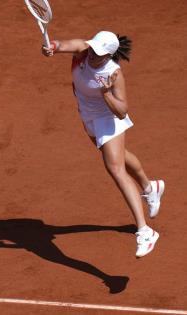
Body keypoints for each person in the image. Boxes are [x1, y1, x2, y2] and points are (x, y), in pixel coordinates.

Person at [42, 31, 164, 257]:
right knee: (120, 156)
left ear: (108, 55)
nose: (92, 54)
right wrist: (53, 47)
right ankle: (150, 187)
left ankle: (145, 231)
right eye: (93, 48)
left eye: (99, 53)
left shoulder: (113, 73)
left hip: (108, 121)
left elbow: (121, 111)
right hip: (88, 119)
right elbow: (63, 44)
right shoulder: (83, 51)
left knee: (115, 169)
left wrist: (106, 93)